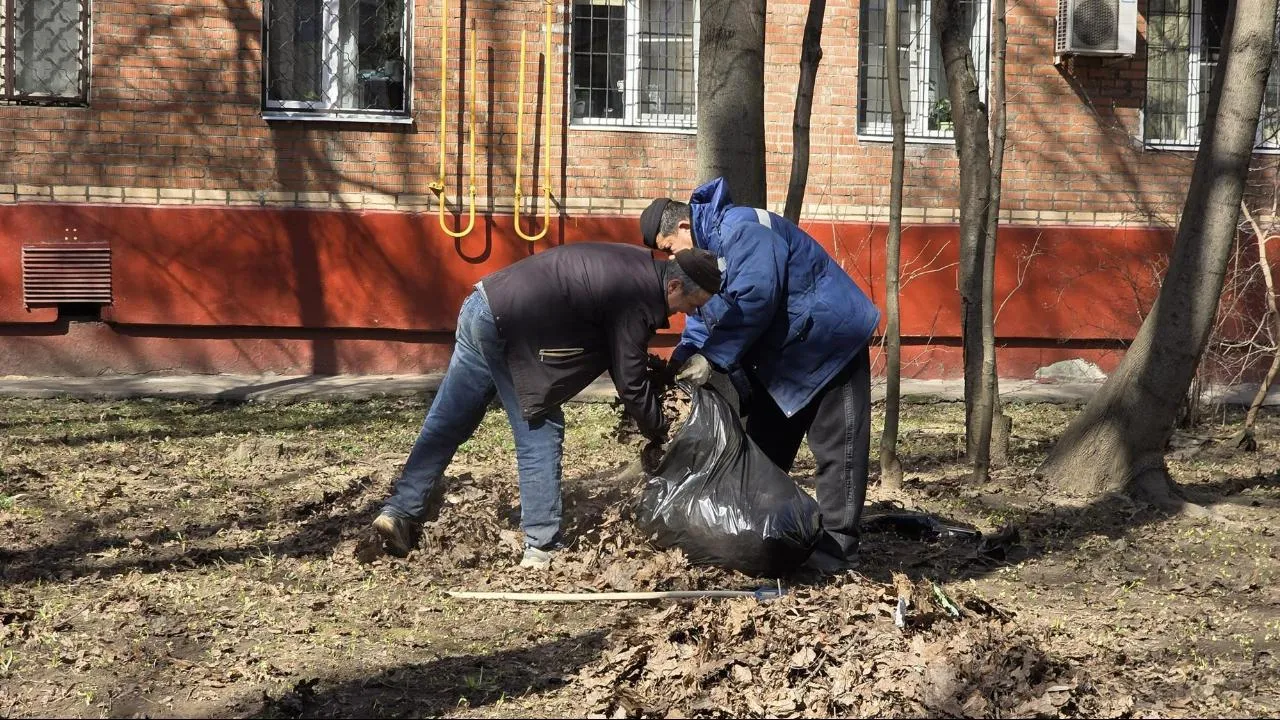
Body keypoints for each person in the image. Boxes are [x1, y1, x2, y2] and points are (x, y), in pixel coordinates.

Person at [372, 242, 722, 569]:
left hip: (484, 302)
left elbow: (622, 357)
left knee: (449, 420)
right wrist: (661, 430)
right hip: (509, 327)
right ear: (675, 286)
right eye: (691, 306)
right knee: (540, 426)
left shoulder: (634, 268)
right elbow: (630, 381)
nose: (687, 315)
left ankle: (400, 510)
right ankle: (542, 547)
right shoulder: (638, 295)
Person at [639, 177, 881, 572]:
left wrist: (713, 357)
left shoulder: (743, 230)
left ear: (683, 227)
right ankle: (763, 536)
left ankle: (838, 552)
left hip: (830, 344)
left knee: (839, 454)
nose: (671, 258)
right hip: (783, 361)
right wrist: (682, 360)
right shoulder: (707, 254)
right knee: (759, 451)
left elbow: (756, 297)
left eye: (669, 248)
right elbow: (705, 315)